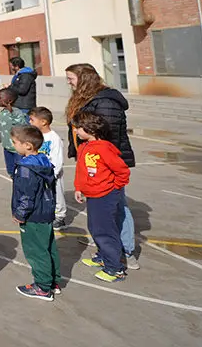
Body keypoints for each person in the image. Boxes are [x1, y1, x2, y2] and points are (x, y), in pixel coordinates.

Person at [65, 63, 139, 270]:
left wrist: (98, 164)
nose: (69, 83)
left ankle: (125, 251)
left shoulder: (106, 101)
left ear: (84, 79)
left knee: (118, 208)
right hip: (91, 160)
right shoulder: (87, 99)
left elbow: (107, 134)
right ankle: (106, 251)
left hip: (104, 164)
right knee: (101, 216)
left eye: (71, 78)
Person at [72, 112, 130, 283]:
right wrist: (79, 187)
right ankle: (103, 256)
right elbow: (81, 171)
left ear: (90, 129)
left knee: (104, 230)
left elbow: (122, 171)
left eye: (78, 129)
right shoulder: (84, 147)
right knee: (95, 227)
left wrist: (114, 187)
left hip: (105, 195)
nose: (76, 132)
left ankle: (115, 269)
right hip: (93, 194)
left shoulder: (104, 148)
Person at [10, 125, 61, 301]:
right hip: (46, 212)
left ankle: (42, 287)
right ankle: (52, 281)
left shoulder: (26, 168)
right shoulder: (44, 160)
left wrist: (20, 214)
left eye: (15, 142)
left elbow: (26, 195)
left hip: (33, 216)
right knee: (48, 247)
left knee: (36, 251)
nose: (13, 145)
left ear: (28, 146)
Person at [29, 107, 67, 230]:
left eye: (32, 120)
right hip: (39, 173)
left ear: (43, 122)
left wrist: (52, 174)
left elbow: (57, 159)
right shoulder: (35, 137)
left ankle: (60, 216)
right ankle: (46, 213)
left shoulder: (54, 138)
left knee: (57, 194)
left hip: (52, 174)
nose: (30, 122)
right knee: (43, 195)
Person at [0, 88, 28, 177]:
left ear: (9, 100)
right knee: (11, 171)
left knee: (22, 171)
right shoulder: (3, 112)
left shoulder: (17, 112)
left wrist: (11, 112)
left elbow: (22, 123)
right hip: (7, 148)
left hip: (17, 149)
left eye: (0, 98)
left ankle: (24, 185)